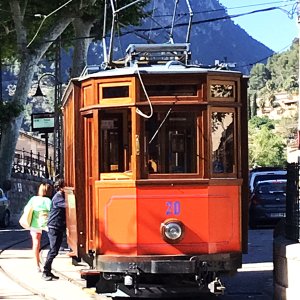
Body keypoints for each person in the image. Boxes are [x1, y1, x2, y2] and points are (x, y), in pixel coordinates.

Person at [23, 183, 53, 272]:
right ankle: (48, 263)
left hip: (34, 224)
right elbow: (52, 211)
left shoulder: (33, 199)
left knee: (36, 243)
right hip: (46, 223)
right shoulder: (48, 201)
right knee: (52, 242)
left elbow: (26, 209)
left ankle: (37, 265)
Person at [42, 178, 66, 281]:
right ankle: (45, 272)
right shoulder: (58, 197)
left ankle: (48, 271)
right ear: (61, 188)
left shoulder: (60, 196)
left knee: (54, 250)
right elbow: (68, 205)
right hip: (54, 226)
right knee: (53, 250)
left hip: (58, 226)